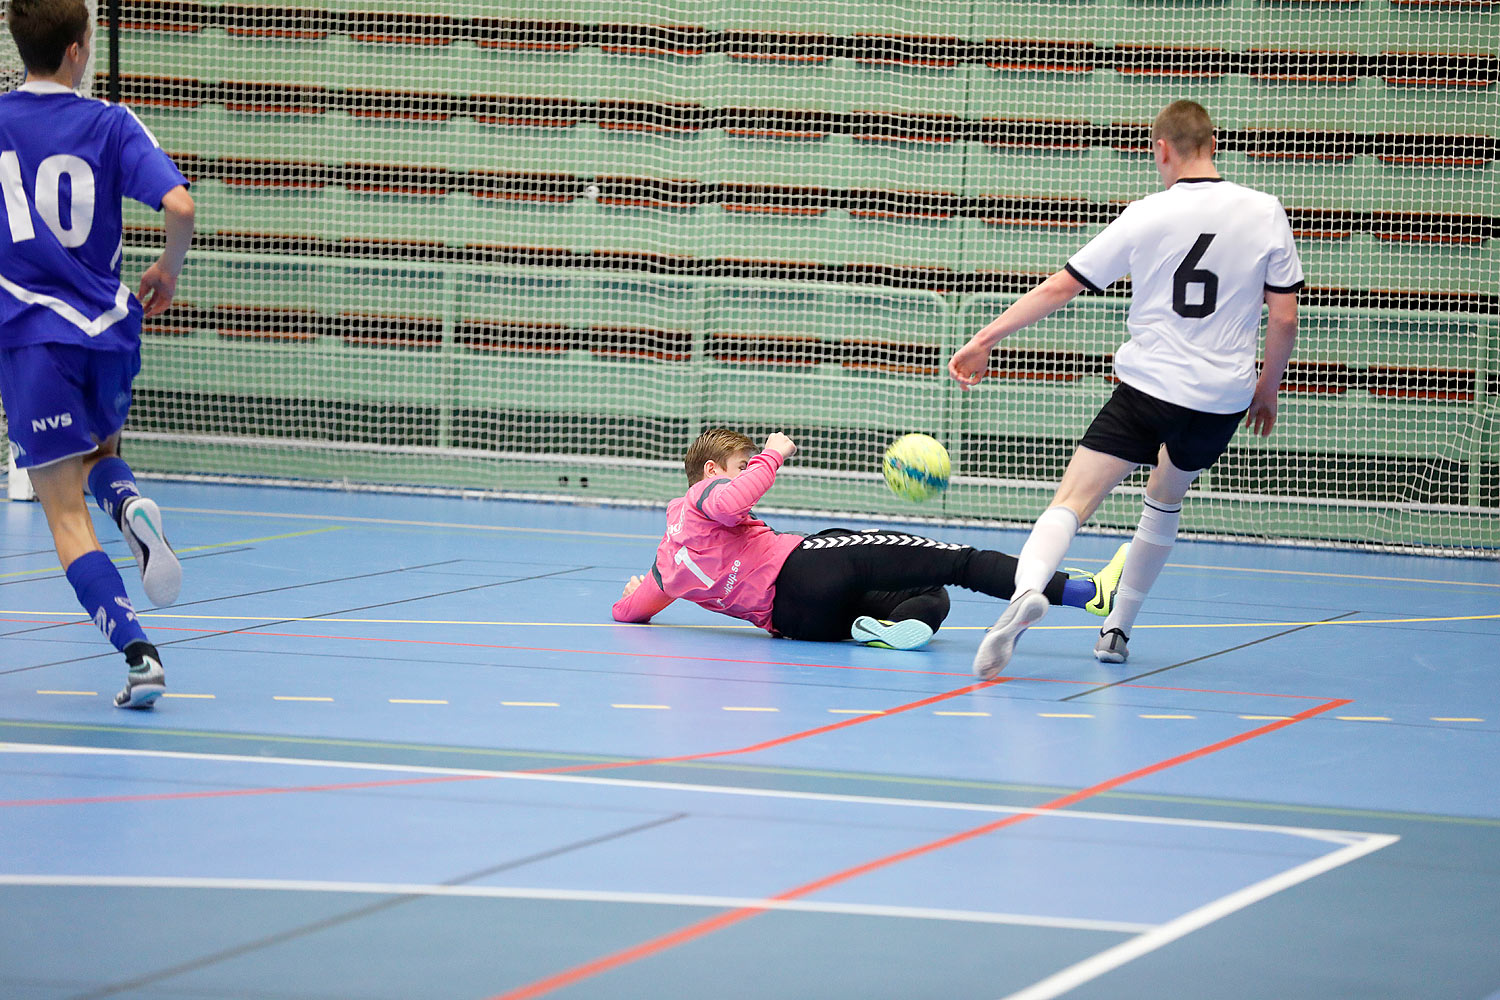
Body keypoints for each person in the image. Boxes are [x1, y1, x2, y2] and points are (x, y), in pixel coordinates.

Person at [947, 99, 1302, 678]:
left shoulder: (1145, 214)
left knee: (1073, 500)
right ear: (1213, 144)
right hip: (1219, 400)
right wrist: (1267, 387)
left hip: (1147, 388)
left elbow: (1061, 287)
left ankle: (1028, 592)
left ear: (1162, 149)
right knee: (1165, 498)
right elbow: (1283, 318)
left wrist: (984, 337)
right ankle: (1117, 630)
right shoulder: (1264, 211)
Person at [1, 0, 195, 707]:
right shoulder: (112, 122)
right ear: (80, 50)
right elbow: (179, 206)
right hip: (110, 328)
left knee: (61, 513)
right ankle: (131, 505)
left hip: (29, 336)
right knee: (98, 457)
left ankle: (139, 655)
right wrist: (167, 271)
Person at [612, 428, 1128, 650]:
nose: (743, 475)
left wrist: (638, 593)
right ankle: (1085, 593)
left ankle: (883, 630)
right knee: (957, 560)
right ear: (708, 471)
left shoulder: (667, 563)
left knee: (929, 596)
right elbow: (730, 499)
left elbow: (630, 613)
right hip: (806, 566)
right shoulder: (704, 495)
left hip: (797, 624)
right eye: (736, 467)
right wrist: (770, 455)